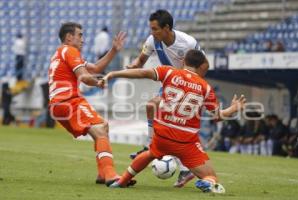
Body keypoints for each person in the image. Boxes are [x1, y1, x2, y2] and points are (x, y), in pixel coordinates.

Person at [99, 49, 246, 193]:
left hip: (162, 135)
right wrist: (234, 108)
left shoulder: (169, 72)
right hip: (186, 142)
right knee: (211, 175)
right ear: (202, 66)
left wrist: (113, 74)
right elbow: (217, 116)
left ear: (183, 61)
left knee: (151, 153)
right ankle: (207, 182)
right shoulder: (205, 88)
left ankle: (122, 181)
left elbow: (142, 72)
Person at [126, 9, 209, 187]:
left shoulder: (187, 42)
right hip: (172, 84)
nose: (152, 32)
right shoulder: (152, 41)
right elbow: (140, 61)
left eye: (155, 29)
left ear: (167, 28)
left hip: (187, 86)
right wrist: (132, 66)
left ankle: (189, 169)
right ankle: (152, 147)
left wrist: (195, 85)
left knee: (176, 127)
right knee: (151, 107)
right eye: (151, 28)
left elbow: (204, 64)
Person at [48, 22, 134, 186]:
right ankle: (111, 175)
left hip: (58, 104)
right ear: (69, 37)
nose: (83, 39)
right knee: (100, 130)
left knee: (103, 125)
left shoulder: (62, 53)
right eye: (80, 35)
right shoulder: (70, 50)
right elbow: (84, 76)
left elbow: (94, 68)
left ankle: (103, 174)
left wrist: (114, 50)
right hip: (68, 101)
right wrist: (98, 83)